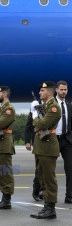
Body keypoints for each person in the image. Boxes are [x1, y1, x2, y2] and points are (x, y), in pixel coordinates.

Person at [30, 81, 61, 219]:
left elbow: (43, 124)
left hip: (48, 146)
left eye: (42, 91)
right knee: (42, 177)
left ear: (50, 92)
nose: (40, 93)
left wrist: (34, 116)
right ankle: (46, 206)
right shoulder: (44, 106)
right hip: (40, 146)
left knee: (49, 178)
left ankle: (51, 208)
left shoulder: (54, 107)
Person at [55, 80, 72, 203]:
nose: (63, 92)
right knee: (46, 168)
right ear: (56, 90)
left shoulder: (69, 105)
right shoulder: (50, 104)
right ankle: (38, 191)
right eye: (61, 89)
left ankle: (69, 196)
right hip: (53, 139)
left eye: (65, 89)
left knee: (70, 169)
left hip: (67, 140)